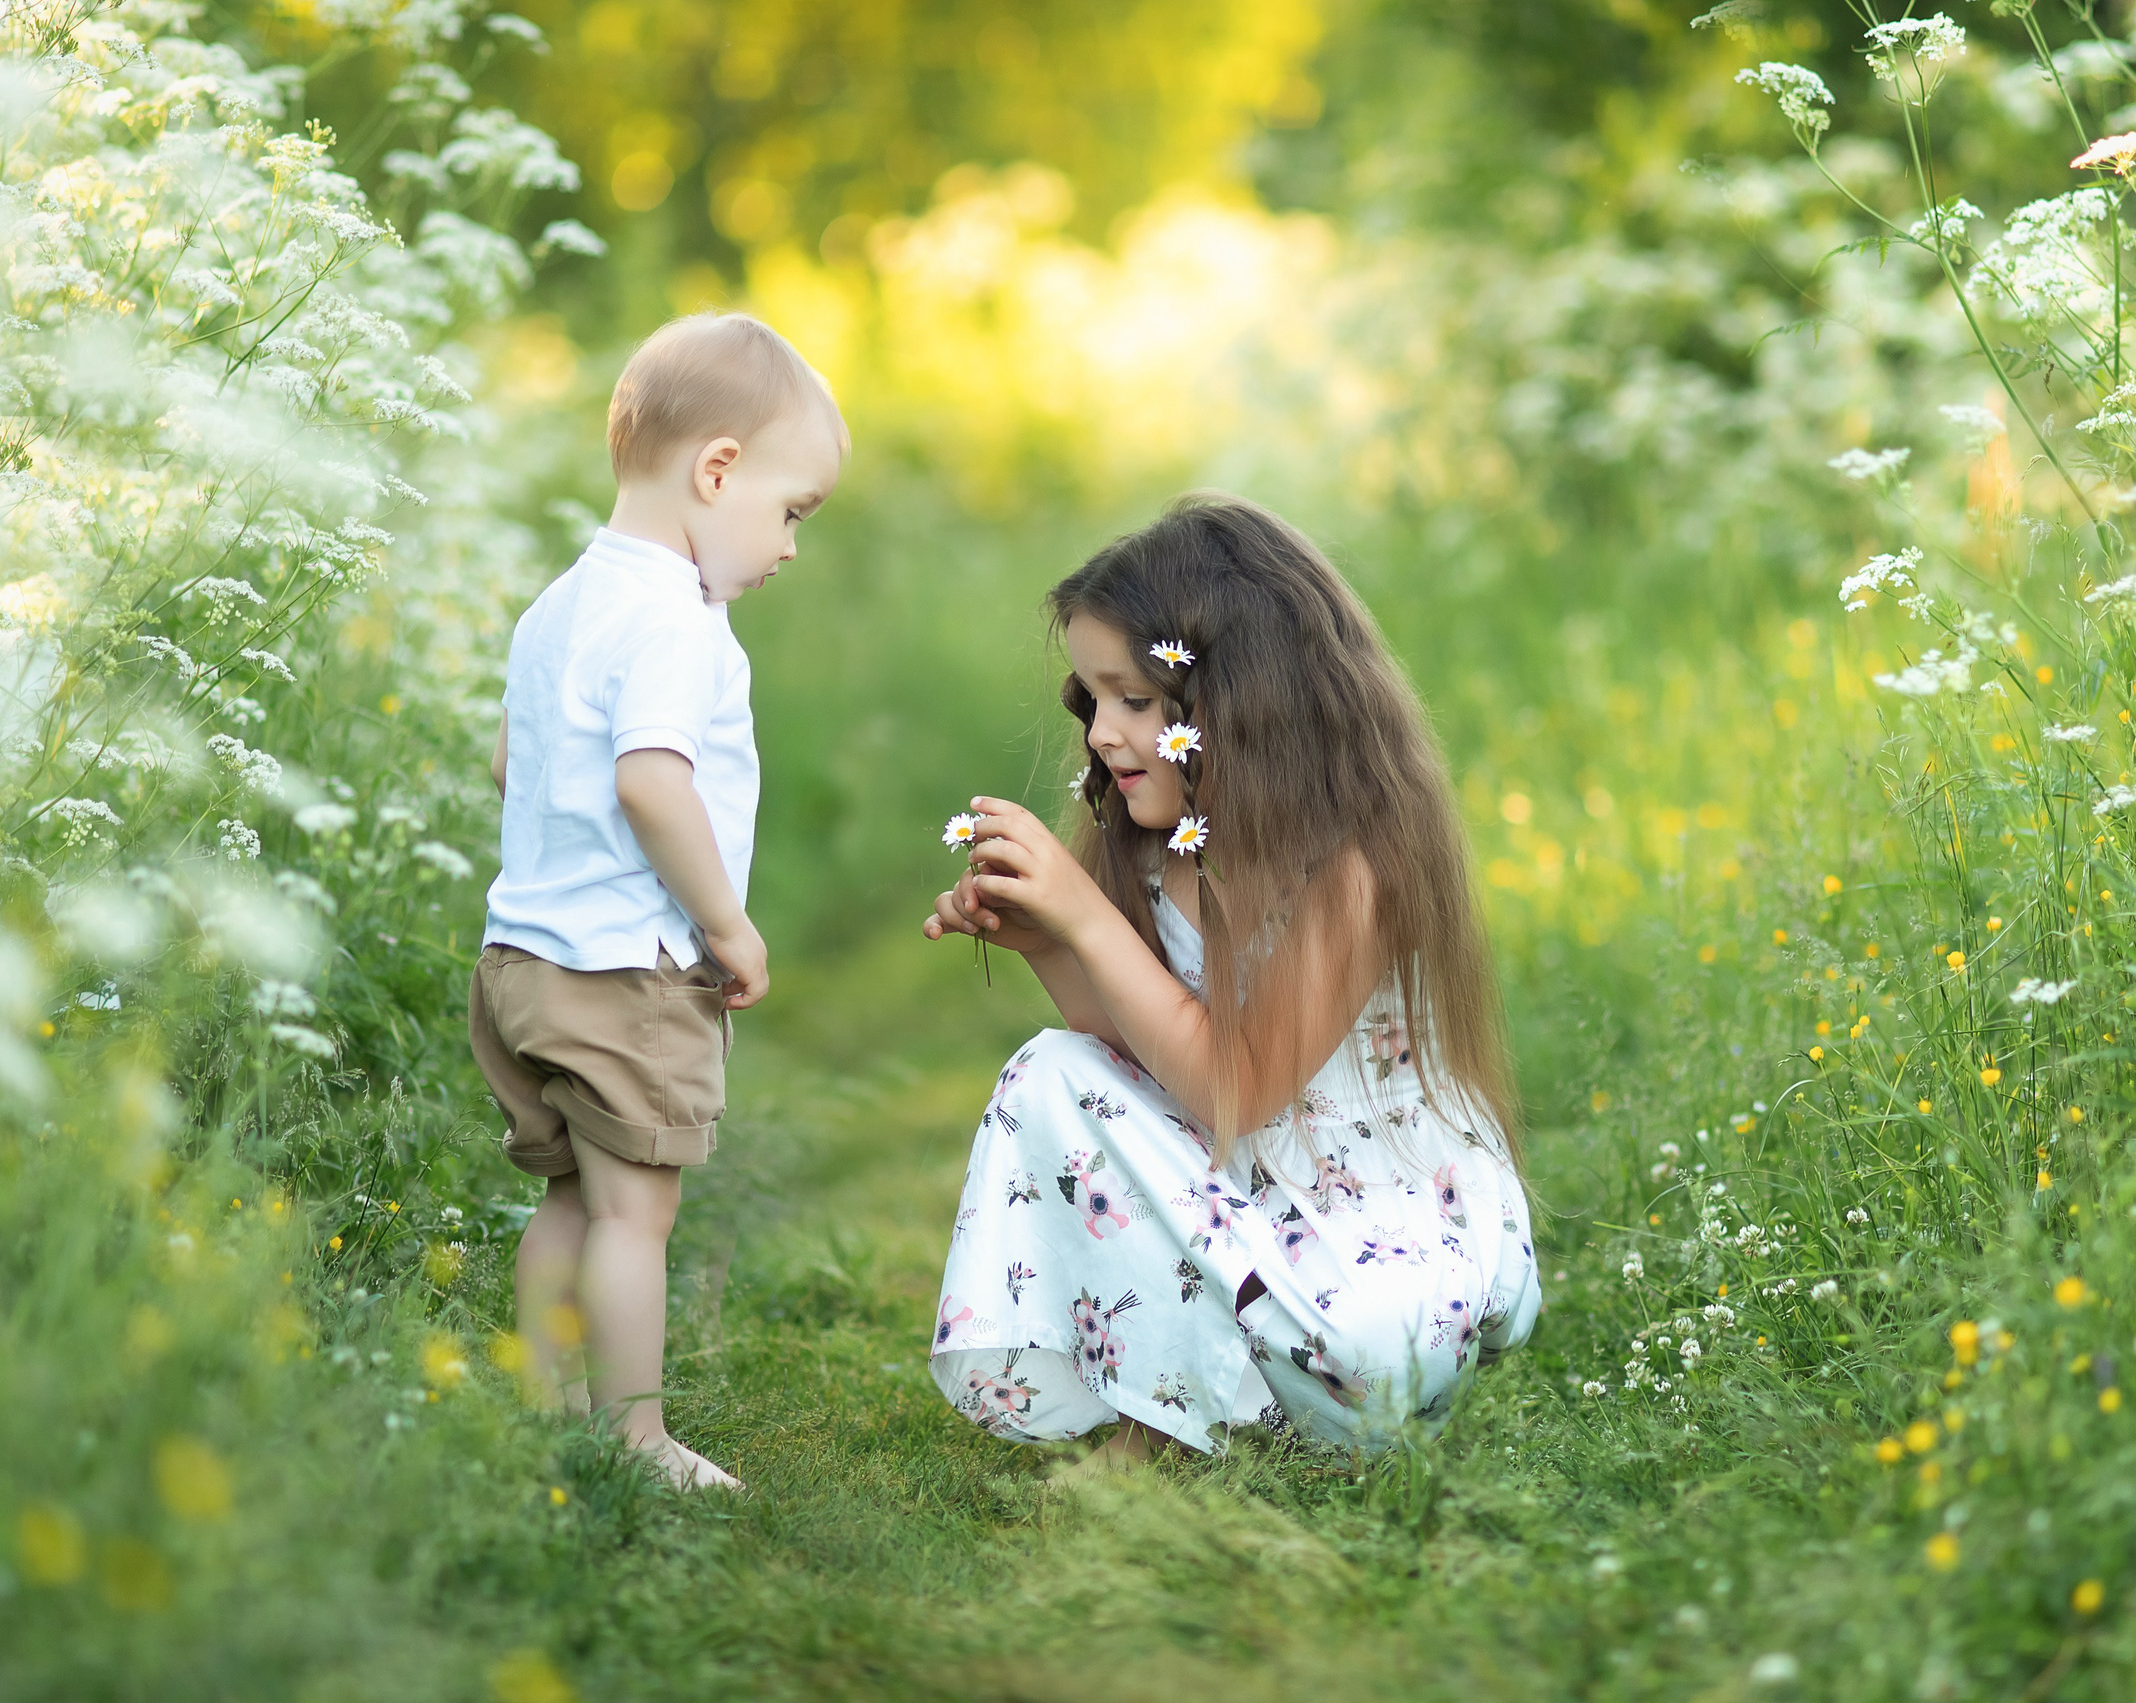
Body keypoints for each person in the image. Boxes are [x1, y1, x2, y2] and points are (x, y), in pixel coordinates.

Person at [922, 496, 1539, 1461]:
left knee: (1377, 1350)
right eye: (1092, 701)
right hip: (1234, 1196)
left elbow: (1233, 1090)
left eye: (1133, 700)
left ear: (1239, 703)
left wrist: (1084, 915)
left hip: (1367, 1210)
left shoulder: (1348, 869)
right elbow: (1141, 1056)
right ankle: (1164, 1408)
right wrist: (1048, 941)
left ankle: (1250, 1393)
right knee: (1052, 1071)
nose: (1099, 736)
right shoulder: (1165, 849)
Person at [472, 312, 845, 1491]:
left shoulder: (560, 605)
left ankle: (545, 1412)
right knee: (637, 1214)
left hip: (522, 959)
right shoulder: (680, 622)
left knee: (569, 1199)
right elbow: (649, 778)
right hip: (624, 968)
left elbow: (509, 761)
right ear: (715, 470)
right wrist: (725, 923)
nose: (789, 547)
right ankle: (634, 1441)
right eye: (791, 512)